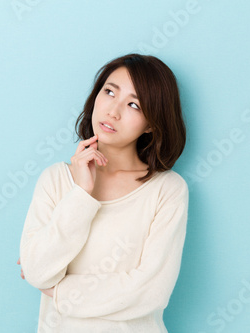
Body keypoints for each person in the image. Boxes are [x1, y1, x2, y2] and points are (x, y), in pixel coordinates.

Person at [17, 53, 189, 332]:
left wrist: (60, 291)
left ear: (151, 124)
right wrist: (82, 194)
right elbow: (37, 272)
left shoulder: (166, 190)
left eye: (134, 105)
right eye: (109, 92)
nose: (113, 111)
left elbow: (151, 292)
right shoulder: (55, 180)